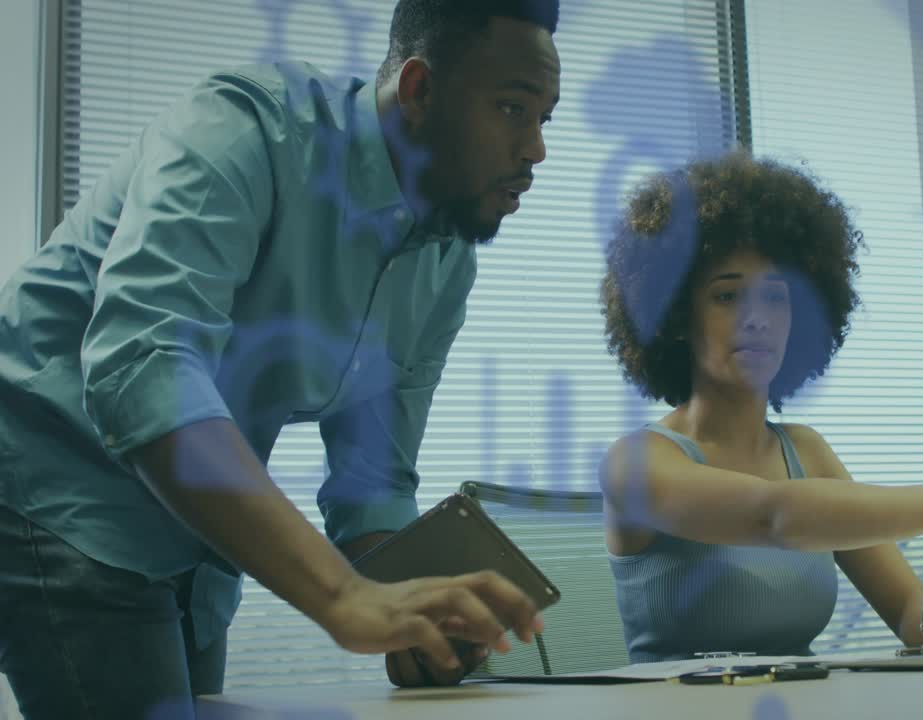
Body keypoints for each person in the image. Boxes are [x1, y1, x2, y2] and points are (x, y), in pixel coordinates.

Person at [0, 0, 561, 716]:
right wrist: (344, 596)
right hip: (55, 488)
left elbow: (371, 484)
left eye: (544, 118)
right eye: (512, 109)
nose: (537, 150)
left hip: (191, 542)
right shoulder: (245, 131)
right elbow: (144, 370)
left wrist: (413, 607)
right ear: (419, 90)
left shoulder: (444, 262)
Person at [598, 152, 923, 663]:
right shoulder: (636, 464)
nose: (757, 318)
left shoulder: (805, 450)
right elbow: (773, 516)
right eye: (728, 296)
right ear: (674, 315)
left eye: (776, 298)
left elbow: (909, 607)